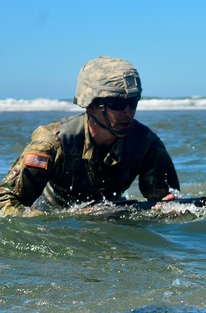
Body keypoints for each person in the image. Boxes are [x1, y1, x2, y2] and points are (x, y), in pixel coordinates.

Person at [0, 56, 179, 217]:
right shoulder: (53, 143)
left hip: (114, 222)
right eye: (117, 103)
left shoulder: (147, 144)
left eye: (133, 102)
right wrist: (51, 219)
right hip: (59, 227)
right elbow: (5, 202)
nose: (128, 112)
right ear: (91, 106)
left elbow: (165, 201)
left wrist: (167, 210)